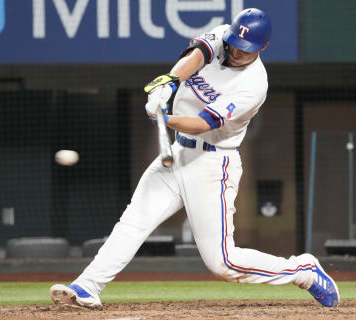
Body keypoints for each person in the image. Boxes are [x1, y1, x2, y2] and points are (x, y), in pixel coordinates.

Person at [50, 8, 340, 309]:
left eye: (246, 49)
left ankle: (302, 271)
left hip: (213, 164)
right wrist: (169, 83)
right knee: (134, 220)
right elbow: (198, 54)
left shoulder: (253, 85)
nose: (237, 52)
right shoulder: (224, 36)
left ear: (262, 48)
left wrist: (166, 117)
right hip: (179, 153)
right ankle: (87, 286)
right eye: (234, 45)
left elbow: (203, 123)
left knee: (223, 263)